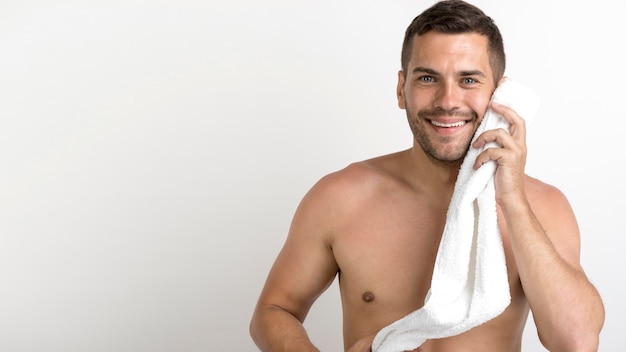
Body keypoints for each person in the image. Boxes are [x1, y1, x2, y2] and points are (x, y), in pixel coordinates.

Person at [249, 1, 605, 351]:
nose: (448, 100)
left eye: (469, 79)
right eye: (428, 78)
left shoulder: (544, 206)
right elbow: (274, 310)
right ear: (401, 88)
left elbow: (576, 341)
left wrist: (512, 199)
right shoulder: (340, 198)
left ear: (500, 92)